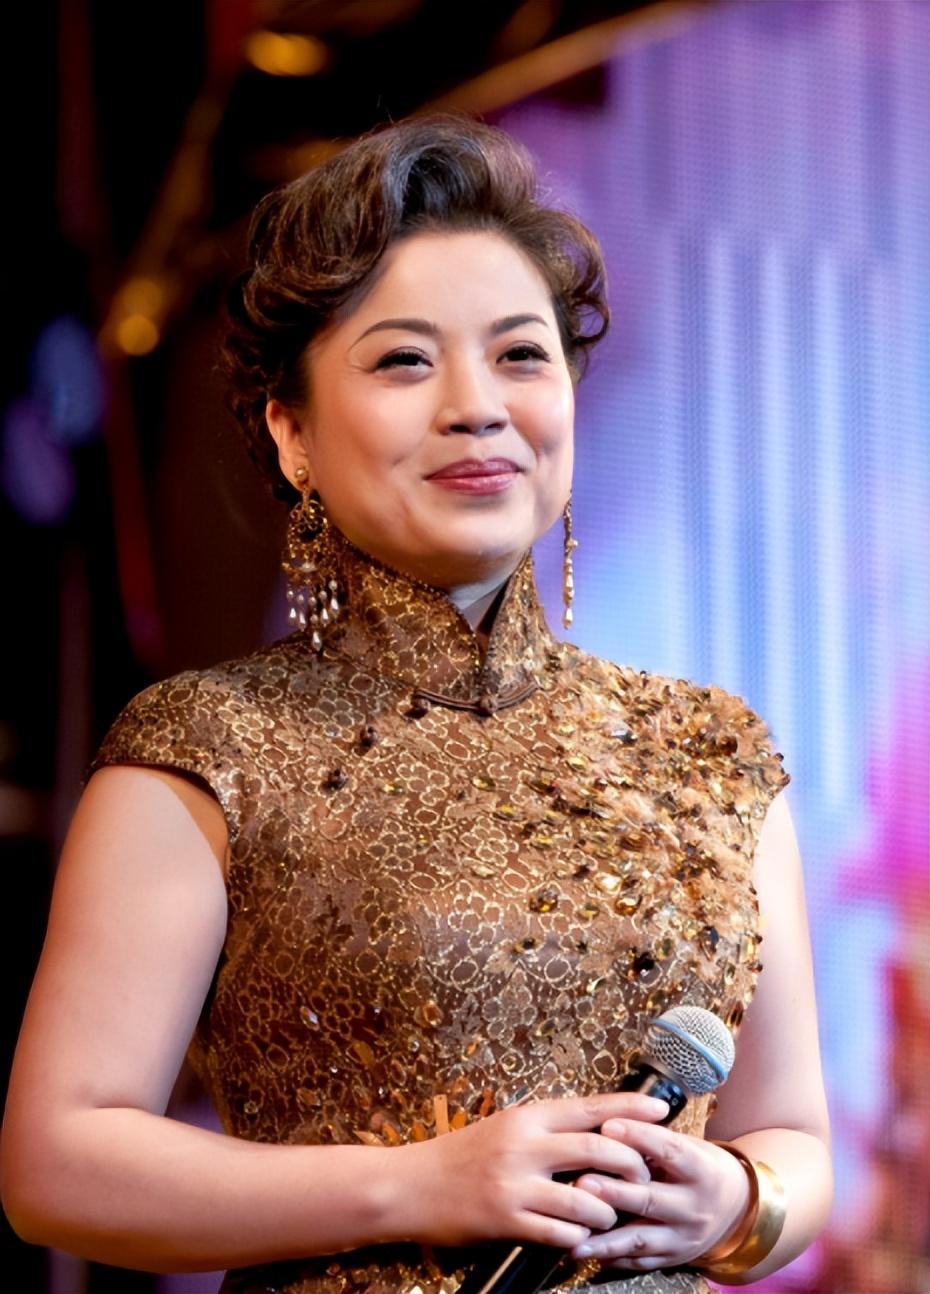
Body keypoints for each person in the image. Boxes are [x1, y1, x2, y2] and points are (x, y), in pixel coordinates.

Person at [1, 115, 831, 1294]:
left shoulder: (714, 755)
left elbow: (793, 1135)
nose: (476, 405)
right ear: (292, 432)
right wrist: (423, 1182)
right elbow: (57, 1162)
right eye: (403, 361)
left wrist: (739, 1202)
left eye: (520, 355)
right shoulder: (205, 748)